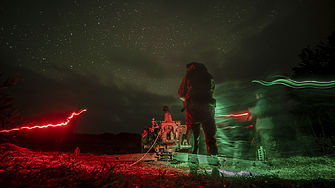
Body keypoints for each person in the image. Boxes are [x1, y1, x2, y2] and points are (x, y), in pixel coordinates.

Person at [178, 62, 218, 156]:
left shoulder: (189, 75)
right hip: (208, 109)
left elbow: (181, 93)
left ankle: (193, 160)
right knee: (210, 136)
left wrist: (188, 100)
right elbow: (212, 93)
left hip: (193, 109)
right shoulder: (209, 76)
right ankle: (213, 159)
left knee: (192, 136)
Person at [249, 89, 280, 161]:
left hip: (265, 127)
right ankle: (269, 160)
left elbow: (259, 110)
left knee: (269, 145)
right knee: (265, 145)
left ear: (261, 94)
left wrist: (250, 110)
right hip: (264, 127)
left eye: (256, 95)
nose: (256, 97)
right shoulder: (264, 101)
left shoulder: (263, 101)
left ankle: (275, 160)